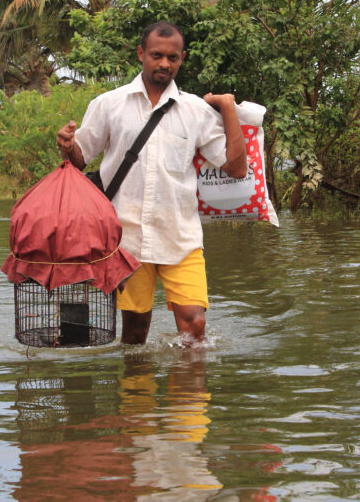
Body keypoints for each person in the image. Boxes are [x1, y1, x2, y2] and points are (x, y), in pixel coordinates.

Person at [56, 21, 246, 346]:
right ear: (141, 53)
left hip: (181, 237)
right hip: (127, 239)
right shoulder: (109, 104)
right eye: (156, 55)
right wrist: (67, 145)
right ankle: (136, 396)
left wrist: (227, 107)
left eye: (172, 57)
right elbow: (80, 158)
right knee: (134, 332)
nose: (164, 64)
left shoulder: (196, 110)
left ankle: (187, 397)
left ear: (182, 58)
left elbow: (237, 168)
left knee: (195, 326)